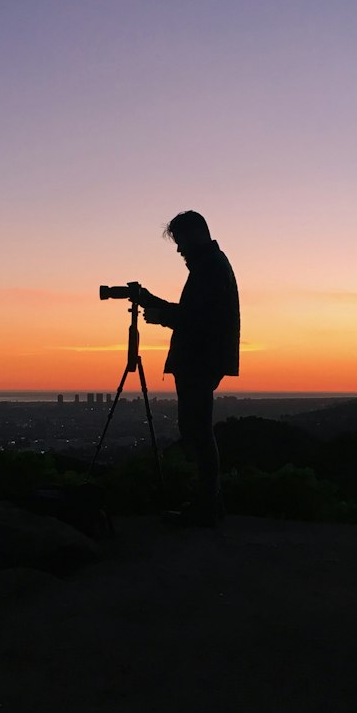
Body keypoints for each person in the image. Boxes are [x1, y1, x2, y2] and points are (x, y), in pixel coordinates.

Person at [139, 211, 240, 526]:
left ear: (196, 234)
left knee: (197, 430)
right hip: (203, 358)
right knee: (196, 429)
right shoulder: (210, 265)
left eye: (181, 241)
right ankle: (209, 502)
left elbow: (197, 320)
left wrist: (159, 313)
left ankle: (207, 504)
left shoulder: (209, 268)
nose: (179, 249)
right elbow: (196, 314)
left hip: (199, 359)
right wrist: (154, 304)